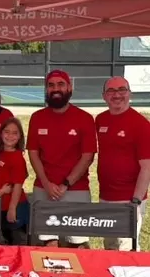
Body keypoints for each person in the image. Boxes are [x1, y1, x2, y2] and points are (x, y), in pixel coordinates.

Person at [26, 69, 97, 249]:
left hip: (76, 189)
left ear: (69, 87)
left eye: (60, 84)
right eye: (51, 85)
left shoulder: (85, 118)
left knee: (78, 244)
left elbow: (87, 156)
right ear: (46, 90)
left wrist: (66, 183)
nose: (55, 89)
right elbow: (33, 153)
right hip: (44, 188)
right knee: (48, 243)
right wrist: (47, 183)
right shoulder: (37, 118)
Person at [95, 76, 150, 251]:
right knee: (110, 247)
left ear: (129, 94)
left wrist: (135, 201)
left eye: (121, 90)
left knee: (126, 249)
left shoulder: (141, 124)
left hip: (129, 199)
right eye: (111, 90)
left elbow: (147, 167)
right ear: (104, 96)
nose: (116, 94)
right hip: (106, 196)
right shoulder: (100, 120)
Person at [0, 117, 29, 245]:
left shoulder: (17, 158)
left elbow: (18, 184)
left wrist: (12, 208)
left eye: (15, 133)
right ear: (1, 133)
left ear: (20, 136)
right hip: (1, 206)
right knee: (6, 240)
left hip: (15, 206)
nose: (10, 136)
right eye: (7, 132)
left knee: (18, 241)